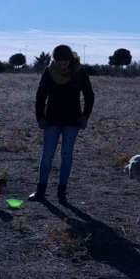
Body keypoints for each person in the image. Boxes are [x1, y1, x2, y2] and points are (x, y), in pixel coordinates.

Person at [29, 45, 94, 203]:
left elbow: (89, 95)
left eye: (65, 61)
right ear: (54, 60)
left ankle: (61, 192)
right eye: (59, 61)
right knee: (47, 156)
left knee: (66, 156)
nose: (62, 64)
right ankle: (40, 191)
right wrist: (40, 117)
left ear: (70, 59)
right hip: (51, 120)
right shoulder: (49, 72)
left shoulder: (79, 72)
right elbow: (40, 95)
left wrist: (85, 116)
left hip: (72, 121)